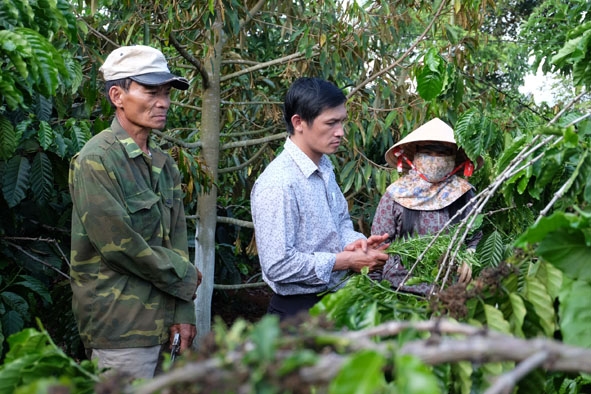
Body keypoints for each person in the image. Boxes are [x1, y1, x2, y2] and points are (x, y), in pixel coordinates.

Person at [69, 45, 201, 380]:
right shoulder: (95, 160)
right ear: (118, 95)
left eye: (167, 93)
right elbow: (119, 245)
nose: (164, 103)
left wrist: (185, 311)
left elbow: (178, 239)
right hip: (121, 331)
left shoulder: (164, 164)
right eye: (151, 92)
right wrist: (184, 274)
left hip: (166, 326)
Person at [250, 77, 390, 321]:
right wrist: (344, 261)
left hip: (334, 304)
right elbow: (278, 265)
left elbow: (340, 224)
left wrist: (357, 244)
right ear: (299, 122)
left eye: (342, 121)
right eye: (331, 123)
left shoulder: (324, 167)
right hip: (297, 314)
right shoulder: (278, 183)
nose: (341, 132)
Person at [371, 117, 482, 295]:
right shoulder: (396, 194)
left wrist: (469, 253)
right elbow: (379, 245)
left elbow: (473, 233)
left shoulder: (463, 193)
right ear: (415, 156)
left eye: (443, 153)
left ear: (454, 159)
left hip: (448, 291)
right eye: (428, 152)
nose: (435, 160)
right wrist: (374, 288)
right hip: (399, 290)